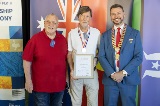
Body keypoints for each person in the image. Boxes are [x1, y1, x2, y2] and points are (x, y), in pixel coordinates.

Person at [98, 4, 143, 106]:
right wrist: (113, 74)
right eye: (113, 14)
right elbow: (101, 56)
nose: (116, 16)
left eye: (118, 13)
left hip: (129, 79)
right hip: (110, 80)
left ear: (124, 14)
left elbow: (139, 56)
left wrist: (122, 73)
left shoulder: (135, 33)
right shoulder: (105, 35)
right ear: (110, 16)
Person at [22, 13, 68, 106]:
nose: (51, 25)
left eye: (54, 22)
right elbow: (26, 61)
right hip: (41, 87)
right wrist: (28, 80)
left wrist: (66, 77)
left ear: (57, 25)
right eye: (48, 22)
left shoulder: (63, 40)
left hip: (59, 86)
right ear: (44, 23)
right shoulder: (35, 39)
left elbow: (66, 61)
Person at [67, 6, 100, 106]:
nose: (84, 19)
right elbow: (69, 53)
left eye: (87, 16)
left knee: (93, 102)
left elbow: (101, 52)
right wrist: (72, 69)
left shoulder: (96, 33)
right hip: (76, 73)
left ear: (90, 18)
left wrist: (96, 59)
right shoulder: (71, 33)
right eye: (82, 16)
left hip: (92, 73)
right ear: (78, 17)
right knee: (75, 102)